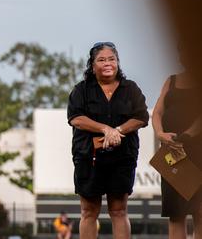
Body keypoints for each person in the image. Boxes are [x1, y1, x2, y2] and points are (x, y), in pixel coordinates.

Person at [67, 42, 149, 239]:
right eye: (101, 60)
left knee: (119, 211)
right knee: (88, 212)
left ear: (118, 62)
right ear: (92, 65)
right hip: (89, 157)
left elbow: (141, 117)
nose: (107, 63)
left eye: (111, 59)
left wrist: (118, 131)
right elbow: (76, 118)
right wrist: (105, 129)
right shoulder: (82, 90)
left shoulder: (130, 89)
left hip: (122, 157)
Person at [152, 43, 202, 239]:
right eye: (181, 52)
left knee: (199, 211)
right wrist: (160, 133)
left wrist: (187, 136)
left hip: (197, 152)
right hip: (172, 153)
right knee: (175, 213)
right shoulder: (171, 80)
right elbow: (157, 112)